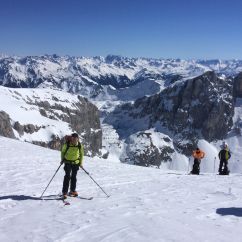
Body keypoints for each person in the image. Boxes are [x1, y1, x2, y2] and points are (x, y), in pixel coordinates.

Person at [61, 133, 84, 199]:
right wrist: (62, 160)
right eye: (73, 138)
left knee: (74, 176)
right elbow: (62, 152)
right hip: (67, 162)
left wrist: (81, 163)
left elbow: (82, 154)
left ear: (77, 139)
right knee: (67, 176)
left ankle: (72, 191)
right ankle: (64, 192)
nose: (74, 140)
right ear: (71, 138)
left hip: (76, 162)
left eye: (75, 139)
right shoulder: (67, 144)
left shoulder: (79, 145)